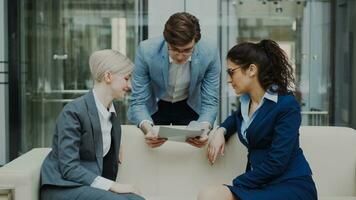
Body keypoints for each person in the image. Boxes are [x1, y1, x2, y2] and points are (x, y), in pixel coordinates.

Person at [198, 40, 317, 200]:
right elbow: (235, 119)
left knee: (213, 195)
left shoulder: (286, 105)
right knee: (208, 195)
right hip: (259, 185)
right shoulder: (246, 103)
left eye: (231, 72)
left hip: (290, 185)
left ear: (251, 70)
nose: (228, 79)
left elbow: (277, 162)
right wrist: (221, 131)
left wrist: (237, 183)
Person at [40, 50, 145, 200]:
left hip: (88, 187)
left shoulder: (113, 117)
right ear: (108, 76)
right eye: (126, 79)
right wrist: (114, 186)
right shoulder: (73, 112)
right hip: (63, 186)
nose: (130, 86)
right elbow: (69, 169)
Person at [128, 12, 221, 148]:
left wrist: (204, 129)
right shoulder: (146, 50)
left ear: (196, 41)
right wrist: (147, 129)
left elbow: (210, 101)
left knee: (191, 151)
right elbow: (138, 100)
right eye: (174, 49)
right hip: (156, 105)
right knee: (151, 149)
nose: (179, 56)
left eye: (187, 50)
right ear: (166, 41)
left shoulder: (210, 52)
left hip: (190, 104)